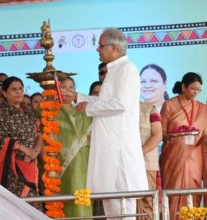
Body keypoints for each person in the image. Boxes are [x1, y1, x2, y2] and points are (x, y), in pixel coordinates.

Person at [64, 28, 148, 219]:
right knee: (112, 208)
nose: (97, 50)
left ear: (113, 48)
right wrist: (79, 97)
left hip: (118, 150)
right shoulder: (114, 71)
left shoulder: (127, 70)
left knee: (123, 208)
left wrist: (87, 107)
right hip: (109, 149)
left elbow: (121, 103)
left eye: (100, 46)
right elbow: (105, 102)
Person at [159, 72, 207, 219]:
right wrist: (171, 137)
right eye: (193, 89)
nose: (196, 93)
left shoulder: (202, 110)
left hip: (194, 154)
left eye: (198, 90)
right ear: (183, 87)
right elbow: (161, 130)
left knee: (193, 186)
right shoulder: (169, 105)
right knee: (173, 188)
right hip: (173, 153)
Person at [0, 76, 43, 210]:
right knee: (13, 209)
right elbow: (2, 139)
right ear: (5, 93)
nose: (18, 92)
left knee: (33, 207)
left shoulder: (29, 112)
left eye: (20, 88)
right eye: (14, 89)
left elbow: (40, 134)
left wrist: (34, 152)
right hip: (10, 169)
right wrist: (26, 150)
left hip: (30, 164)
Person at [55, 77, 93, 217]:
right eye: (64, 87)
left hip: (83, 164)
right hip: (61, 165)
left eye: (71, 87)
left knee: (82, 199)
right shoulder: (50, 113)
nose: (68, 91)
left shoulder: (83, 112)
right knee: (63, 201)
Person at [137, 103, 162, 219]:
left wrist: (138, 154)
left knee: (146, 201)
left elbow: (157, 135)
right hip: (123, 165)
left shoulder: (149, 108)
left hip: (146, 163)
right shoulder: (117, 108)